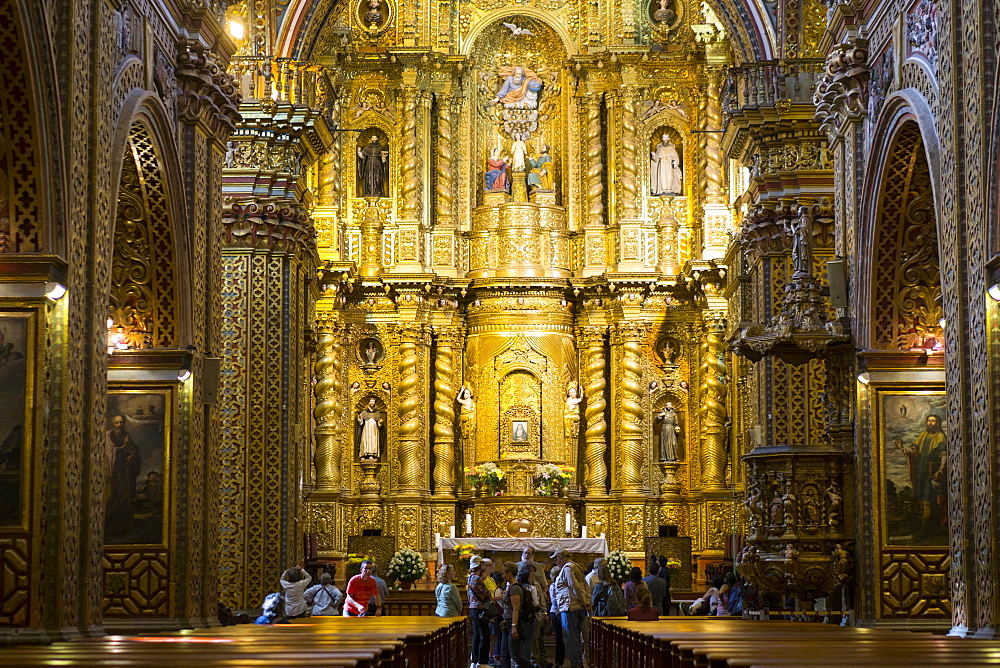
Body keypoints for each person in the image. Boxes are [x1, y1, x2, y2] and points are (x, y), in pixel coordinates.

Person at [893, 414, 947, 540]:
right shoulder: (923, 435)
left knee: (929, 499)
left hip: (932, 473)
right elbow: (913, 451)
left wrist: (941, 469)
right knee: (923, 498)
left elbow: (944, 454)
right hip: (921, 473)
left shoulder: (940, 436)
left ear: (938, 423)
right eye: (929, 420)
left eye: (933, 421)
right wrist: (902, 448)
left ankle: (925, 531)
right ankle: (927, 529)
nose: (930, 423)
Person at [551, 549, 591, 668]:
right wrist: (586, 601)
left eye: (556, 558)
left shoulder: (567, 568)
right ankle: (577, 660)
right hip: (575, 606)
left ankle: (576, 662)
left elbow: (575, 586)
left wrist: (583, 602)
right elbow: (584, 585)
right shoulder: (576, 566)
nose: (555, 561)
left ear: (561, 558)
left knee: (570, 636)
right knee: (574, 636)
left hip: (570, 607)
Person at [105, 414, 141, 540]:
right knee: (114, 496)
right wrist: (124, 447)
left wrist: (132, 455)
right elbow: (109, 451)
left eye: (121, 422)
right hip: (113, 472)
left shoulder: (126, 436)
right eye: (117, 423)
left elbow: (134, 450)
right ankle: (110, 525)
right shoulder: (109, 435)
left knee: (125, 497)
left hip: (125, 471)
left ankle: (125, 527)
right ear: (113, 424)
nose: (119, 425)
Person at [500, 561, 535, 668]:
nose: (502, 576)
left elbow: (516, 609)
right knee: (505, 653)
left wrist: (514, 627)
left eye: (504, 573)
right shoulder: (511, 586)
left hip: (513, 623)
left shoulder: (515, 588)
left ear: (510, 573)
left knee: (515, 655)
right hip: (508, 623)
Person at [466, 555, 492, 667]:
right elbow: (487, 593)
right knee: (484, 635)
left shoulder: (470, 577)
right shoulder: (477, 578)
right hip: (480, 608)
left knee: (477, 635)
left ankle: (475, 660)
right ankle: (482, 661)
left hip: (473, 608)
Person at [548, 566, 565, 668]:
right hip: (556, 612)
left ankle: (561, 660)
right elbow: (555, 600)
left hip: (561, 611)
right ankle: (558, 661)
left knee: (563, 637)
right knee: (559, 637)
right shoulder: (553, 585)